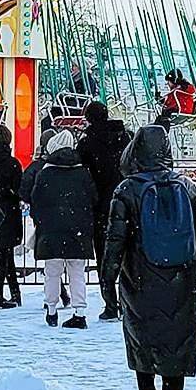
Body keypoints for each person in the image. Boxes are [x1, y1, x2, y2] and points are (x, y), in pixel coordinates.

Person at [102, 124, 196, 390]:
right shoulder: (188, 187)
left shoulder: (127, 190)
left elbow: (115, 240)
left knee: (143, 342)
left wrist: (108, 280)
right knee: (177, 345)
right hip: (184, 278)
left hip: (140, 278)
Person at [24, 129, 96, 327]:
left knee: (52, 271)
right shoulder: (82, 171)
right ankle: (80, 312)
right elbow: (93, 199)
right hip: (78, 229)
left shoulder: (46, 173)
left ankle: (52, 310)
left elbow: (35, 200)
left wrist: (41, 221)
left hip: (51, 230)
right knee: (77, 272)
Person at [76, 100, 132, 321]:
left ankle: (110, 304)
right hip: (125, 201)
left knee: (105, 256)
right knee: (128, 254)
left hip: (101, 206)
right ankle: (128, 301)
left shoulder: (88, 143)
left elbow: (80, 168)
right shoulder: (124, 137)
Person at [0, 128, 24, 309]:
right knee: (4, 254)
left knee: (5, 254)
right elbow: (19, 190)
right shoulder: (12, 164)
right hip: (8, 213)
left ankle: (14, 293)